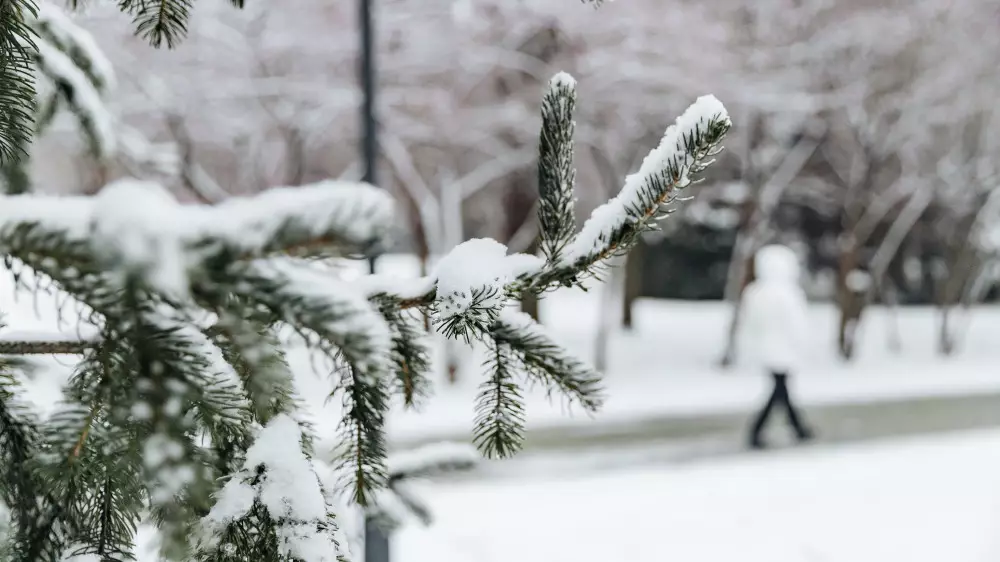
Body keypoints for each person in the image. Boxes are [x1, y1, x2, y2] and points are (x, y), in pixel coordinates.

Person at [740, 244, 815, 449]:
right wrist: (802, 344)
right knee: (779, 389)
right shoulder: (788, 294)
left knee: (781, 389)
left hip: (765, 350)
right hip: (784, 350)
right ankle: (760, 429)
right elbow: (797, 324)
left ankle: (797, 426)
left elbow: (749, 323)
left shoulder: (755, 292)